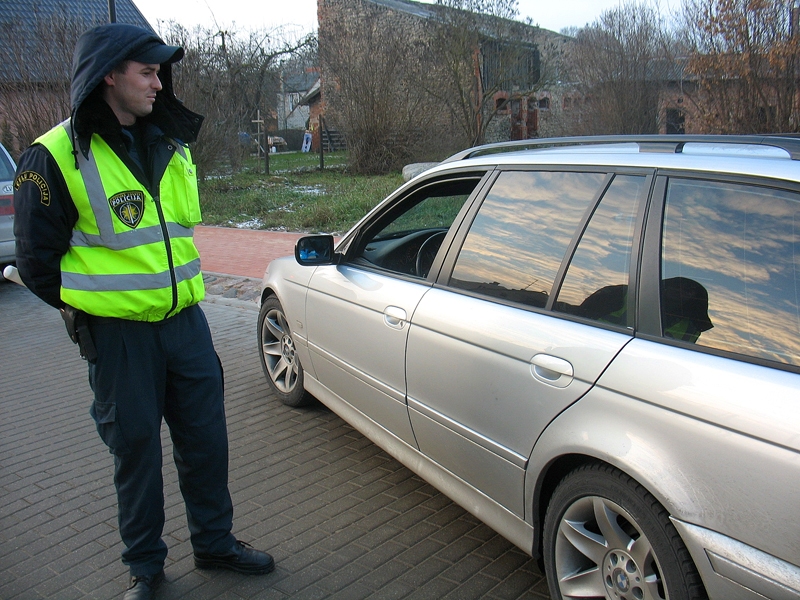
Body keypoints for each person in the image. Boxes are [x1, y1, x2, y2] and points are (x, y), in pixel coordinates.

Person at [13, 23, 274, 600]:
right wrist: (91, 315)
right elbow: (36, 261)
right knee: (135, 453)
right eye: (147, 72)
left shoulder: (170, 141)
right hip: (119, 339)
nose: (160, 83)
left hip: (187, 326)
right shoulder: (53, 155)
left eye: (160, 72)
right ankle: (146, 569)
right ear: (110, 74)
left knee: (206, 442)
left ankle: (215, 543)